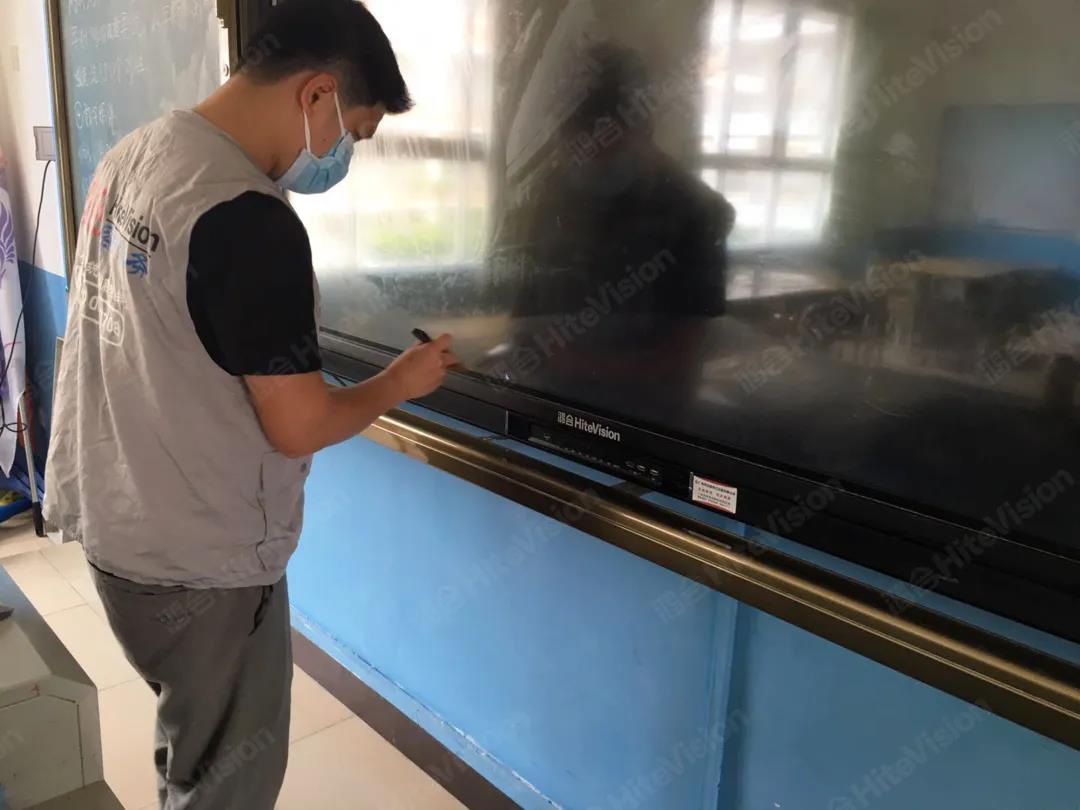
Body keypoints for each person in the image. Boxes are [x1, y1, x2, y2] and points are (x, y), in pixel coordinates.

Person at [43, 1, 456, 807]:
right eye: (355, 133)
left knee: (192, 747)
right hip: (202, 567)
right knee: (227, 782)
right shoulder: (247, 218)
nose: (342, 157)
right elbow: (299, 423)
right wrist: (398, 382)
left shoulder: (135, 153)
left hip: (118, 532)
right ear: (317, 93)